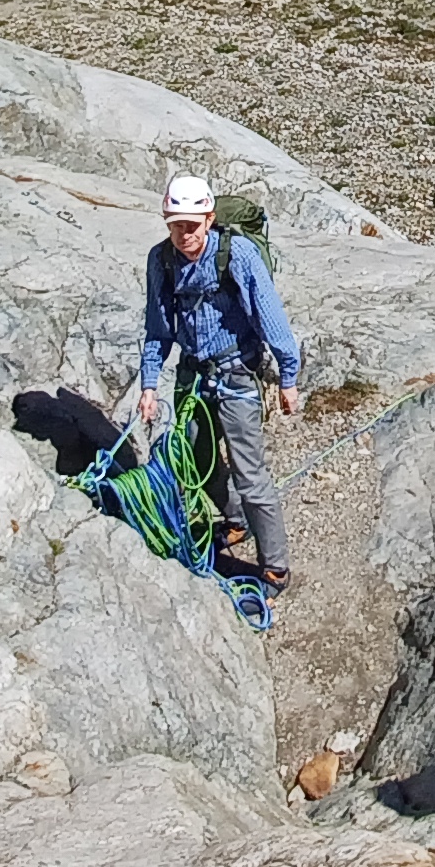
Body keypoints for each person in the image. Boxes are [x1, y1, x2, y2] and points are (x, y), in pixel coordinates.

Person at [138, 174, 304, 590]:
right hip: (193, 376)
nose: (185, 234)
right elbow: (158, 327)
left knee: (250, 474)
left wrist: (288, 376)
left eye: (192, 225)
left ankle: (275, 569)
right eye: (176, 225)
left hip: (236, 374)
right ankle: (235, 520)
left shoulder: (238, 255)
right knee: (197, 458)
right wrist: (149, 385)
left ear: (209, 219)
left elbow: (269, 315)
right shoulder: (161, 260)